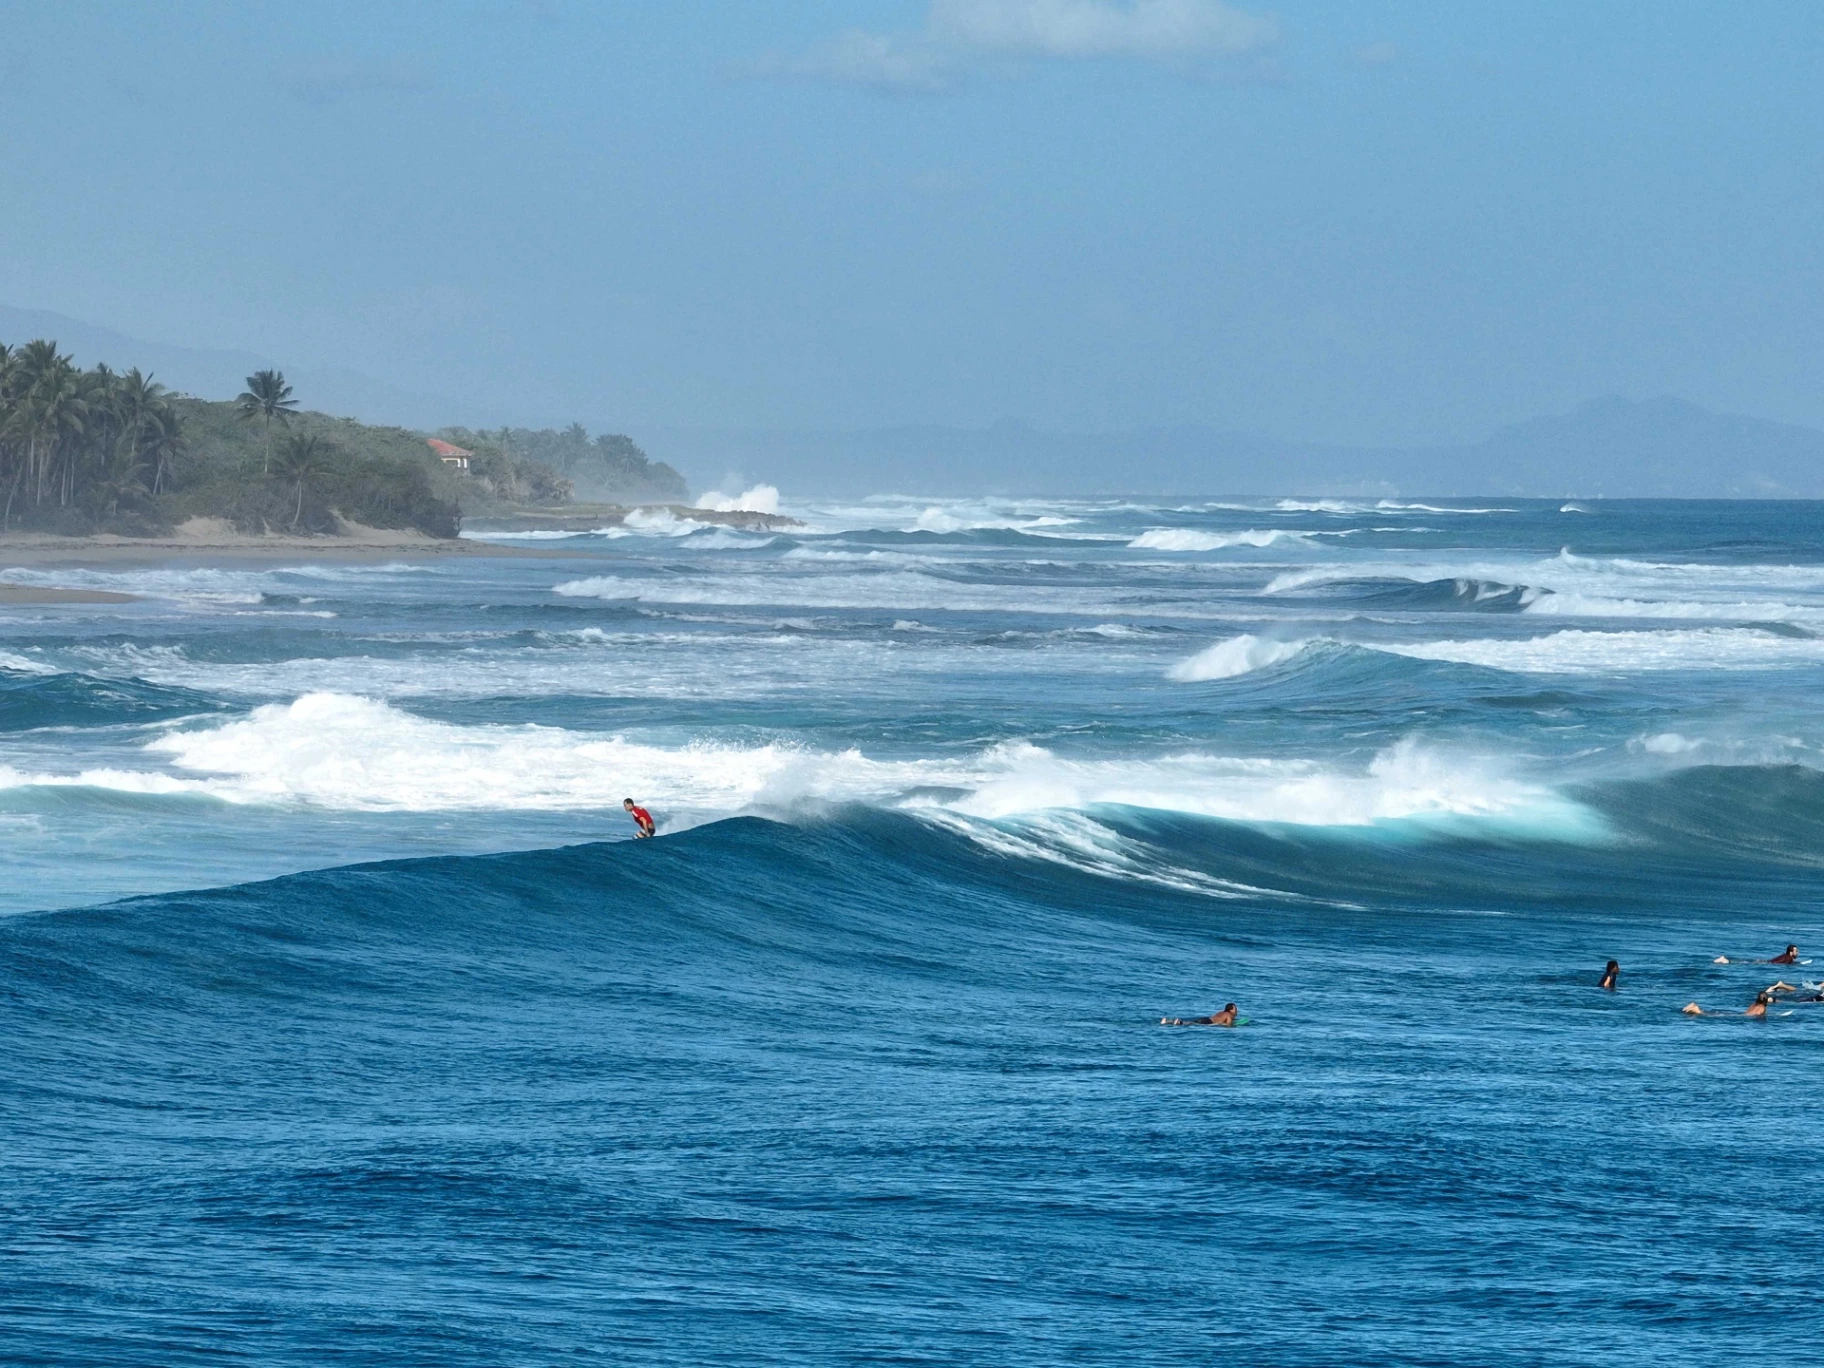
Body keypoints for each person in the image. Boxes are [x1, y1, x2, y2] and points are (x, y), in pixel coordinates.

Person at [1162, 1003, 1238, 1027]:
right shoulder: (1229, 1015)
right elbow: (1228, 1025)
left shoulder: (1221, 1012)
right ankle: (1180, 1023)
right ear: (1231, 1010)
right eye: (1235, 1009)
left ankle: (1168, 1021)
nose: (1237, 1011)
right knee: (1192, 1024)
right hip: (1208, 1022)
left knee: (1193, 1022)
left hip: (1206, 1018)